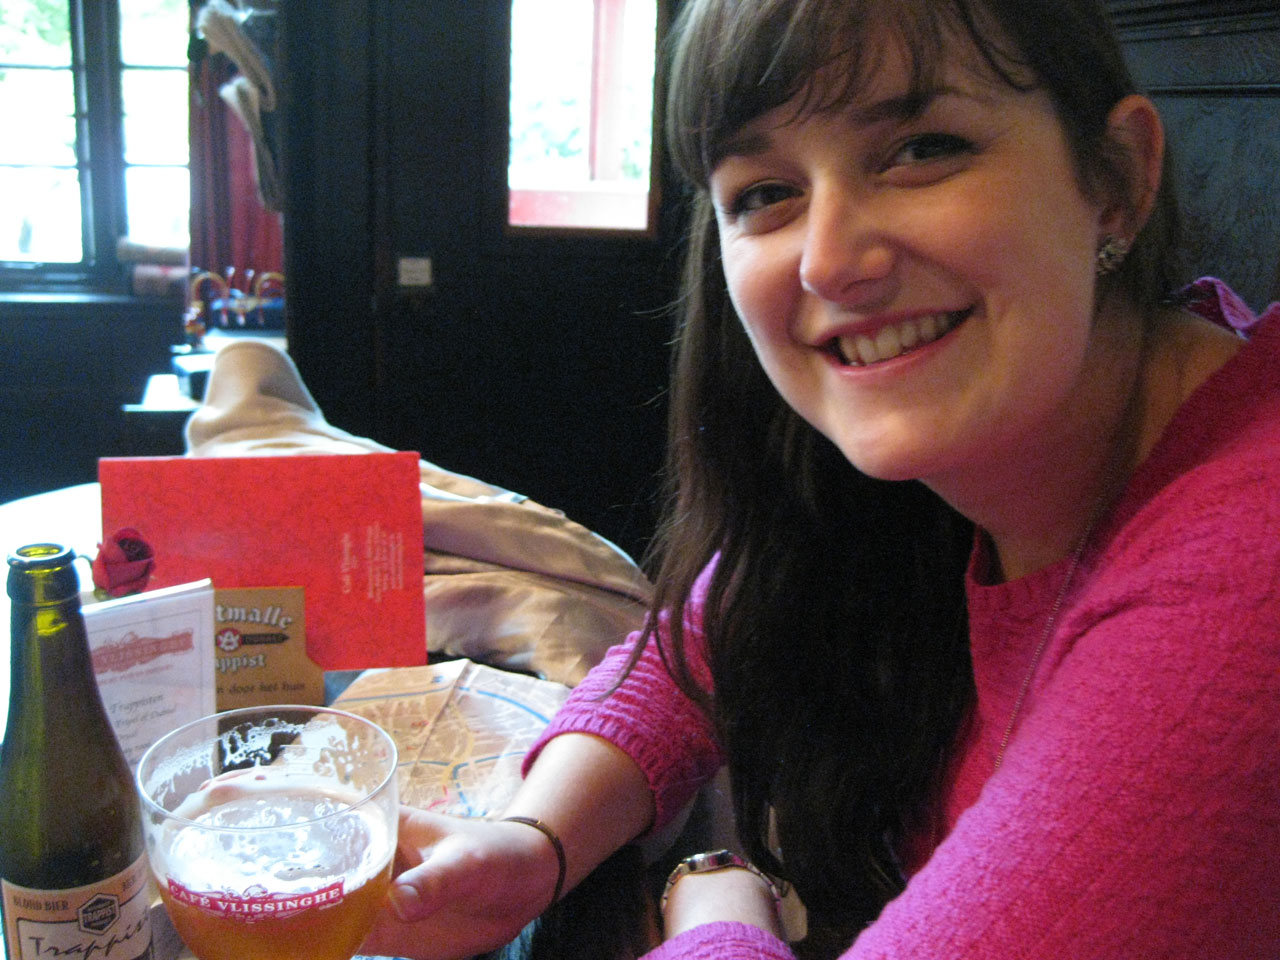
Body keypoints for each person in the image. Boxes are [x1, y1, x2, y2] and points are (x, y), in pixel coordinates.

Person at [361, 0, 1280, 957]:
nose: (832, 262)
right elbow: (714, 635)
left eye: (922, 148)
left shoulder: (1245, 583)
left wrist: (717, 912)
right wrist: (531, 839)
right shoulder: (980, 441)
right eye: (764, 193)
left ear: (1118, 177)